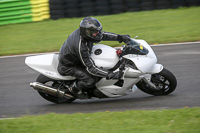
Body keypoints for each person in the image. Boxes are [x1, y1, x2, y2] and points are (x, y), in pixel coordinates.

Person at [57, 17, 130, 99]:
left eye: (97, 31)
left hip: (75, 57)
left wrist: (120, 37)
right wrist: (110, 74)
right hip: (69, 66)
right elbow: (90, 68)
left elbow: (102, 35)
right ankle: (75, 89)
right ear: (86, 32)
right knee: (91, 79)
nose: (97, 34)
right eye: (94, 32)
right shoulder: (81, 46)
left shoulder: (87, 34)